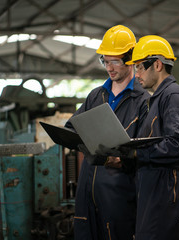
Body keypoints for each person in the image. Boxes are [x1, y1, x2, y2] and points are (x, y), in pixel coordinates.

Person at [64, 25, 150, 240]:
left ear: (130, 60)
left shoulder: (143, 101)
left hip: (119, 195)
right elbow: (72, 127)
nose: (109, 68)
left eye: (114, 61)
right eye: (105, 61)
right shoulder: (96, 96)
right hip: (86, 194)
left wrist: (122, 159)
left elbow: (146, 150)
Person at [125, 35, 179, 240]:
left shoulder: (174, 96)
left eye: (139, 67)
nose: (136, 74)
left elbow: (178, 144)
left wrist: (137, 152)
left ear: (157, 64)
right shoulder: (156, 99)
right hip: (153, 189)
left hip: (165, 192)